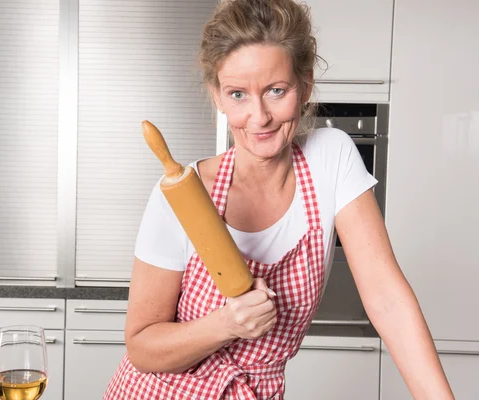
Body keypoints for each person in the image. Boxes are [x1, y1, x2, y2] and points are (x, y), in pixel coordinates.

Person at [104, 0, 455, 398]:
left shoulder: (332, 158)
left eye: (276, 90)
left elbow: (387, 299)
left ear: (304, 84)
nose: (260, 117)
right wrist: (226, 325)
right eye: (238, 94)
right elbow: (142, 346)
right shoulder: (181, 196)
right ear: (217, 96)